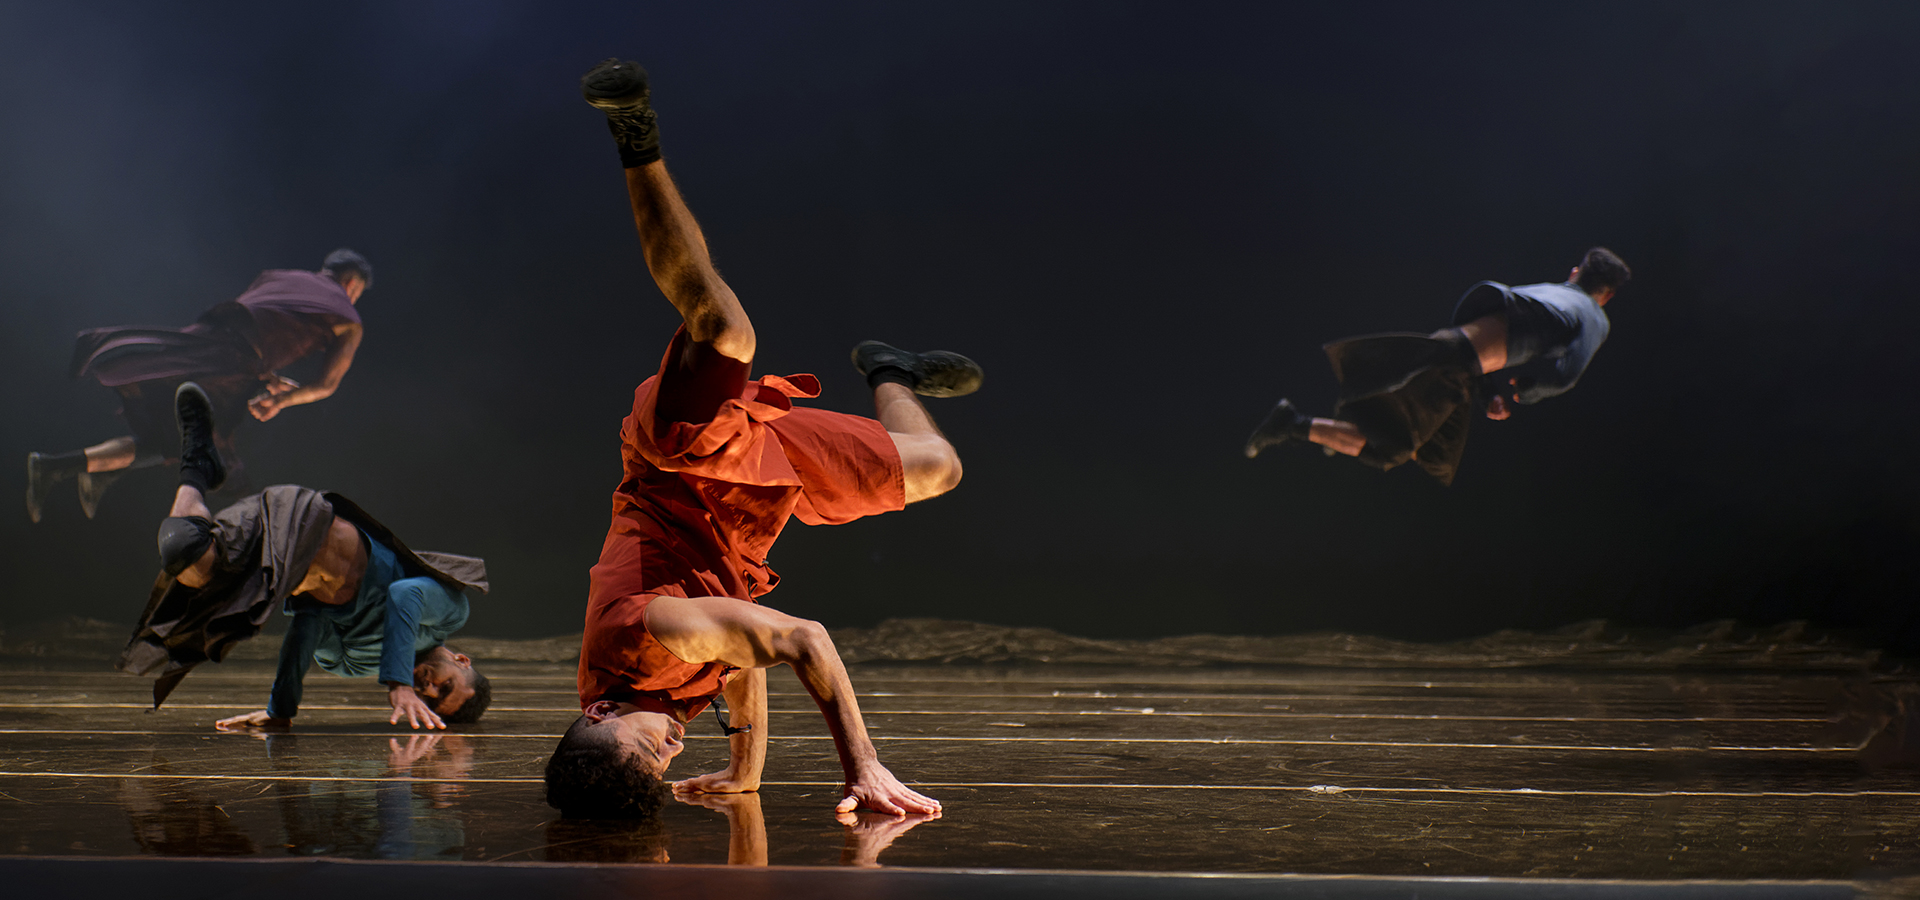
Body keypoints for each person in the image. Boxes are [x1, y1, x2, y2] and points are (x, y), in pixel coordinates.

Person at [544, 59, 979, 819]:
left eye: (648, 750)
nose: (669, 751)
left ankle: (633, 133)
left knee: (725, 330)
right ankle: (891, 369)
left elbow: (802, 639)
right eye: (661, 768)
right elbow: (738, 657)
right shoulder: (659, 688)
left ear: (600, 717)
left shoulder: (637, 640)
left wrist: (865, 768)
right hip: (756, 499)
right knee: (940, 468)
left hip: (685, 457)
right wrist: (744, 772)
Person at [116, 380, 491, 729]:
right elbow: (403, 595)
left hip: (275, 574)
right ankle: (199, 460)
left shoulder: (355, 665)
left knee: (184, 555)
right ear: (462, 661)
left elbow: (306, 626)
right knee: (190, 566)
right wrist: (398, 683)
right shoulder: (450, 613)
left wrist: (280, 711)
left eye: (430, 702)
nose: (427, 689)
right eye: (444, 687)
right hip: (299, 521)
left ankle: (196, 468)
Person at [26, 249, 373, 522]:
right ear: (352, 283)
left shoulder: (278, 277)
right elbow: (326, 385)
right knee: (214, 457)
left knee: (166, 441)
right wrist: (282, 400)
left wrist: (266, 377)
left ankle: (55, 467)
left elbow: (255, 324)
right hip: (230, 367)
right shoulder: (347, 315)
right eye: (356, 291)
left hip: (206, 345)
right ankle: (209, 537)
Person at [1243, 247, 1630, 485]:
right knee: (1391, 449)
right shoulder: (1593, 316)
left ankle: (1334, 430)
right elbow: (1567, 376)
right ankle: (1294, 425)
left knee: (1437, 457)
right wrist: (1527, 390)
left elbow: (1490, 333)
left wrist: (1489, 392)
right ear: (1607, 295)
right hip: (1451, 367)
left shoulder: (1550, 292)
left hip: (1453, 356)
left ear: (1576, 272)